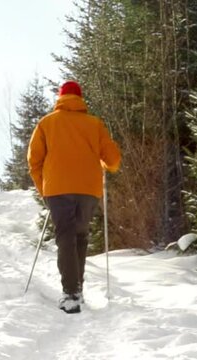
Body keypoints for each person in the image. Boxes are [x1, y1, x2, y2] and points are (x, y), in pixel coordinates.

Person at [27, 80, 121, 314]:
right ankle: (76, 288)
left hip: (57, 189)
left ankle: (71, 293)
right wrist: (103, 163)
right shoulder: (94, 124)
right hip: (88, 189)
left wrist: (44, 189)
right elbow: (113, 161)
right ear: (80, 99)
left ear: (60, 98)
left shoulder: (47, 123)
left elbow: (33, 161)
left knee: (65, 237)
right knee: (79, 236)